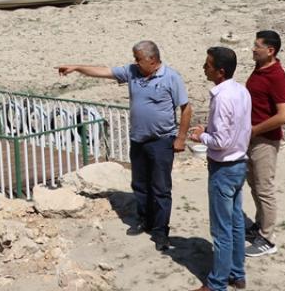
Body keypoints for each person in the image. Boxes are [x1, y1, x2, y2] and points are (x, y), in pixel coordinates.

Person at [57, 40, 191, 252]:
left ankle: (160, 231)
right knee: (139, 184)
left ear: (153, 60)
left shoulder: (171, 77)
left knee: (161, 188)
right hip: (138, 140)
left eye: (138, 59)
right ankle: (143, 220)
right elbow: (104, 71)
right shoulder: (132, 71)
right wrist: (77, 67)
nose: (135, 63)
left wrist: (181, 138)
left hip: (161, 141)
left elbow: (186, 108)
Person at [188, 46, 252, 291]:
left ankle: (217, 283)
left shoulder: (222, 96)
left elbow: (221, 141)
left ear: (220, 71)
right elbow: (238, 128)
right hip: (239, 164)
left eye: (208, 65)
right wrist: (209, 131)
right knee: (236, 222)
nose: (205, 68)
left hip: (224, 168)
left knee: (222, 229)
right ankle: (237, 273)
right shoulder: (241, 91)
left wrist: (201, 137)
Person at [245, 29, 285, 258]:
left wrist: (254, 130)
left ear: (270, 51)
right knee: (254, 184)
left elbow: (283, 115)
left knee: (265, 189)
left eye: (257, 46)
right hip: (251, 138)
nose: (253, 49)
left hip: (265, 141)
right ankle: (260, 224)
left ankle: (268, 238)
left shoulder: (277, 76)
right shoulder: (260, 68)